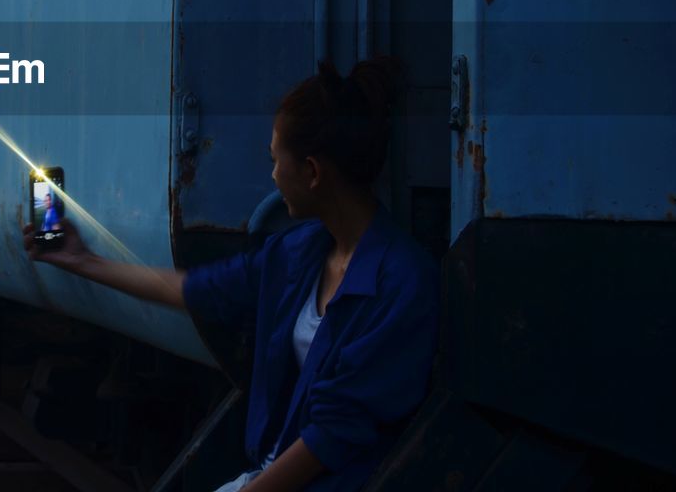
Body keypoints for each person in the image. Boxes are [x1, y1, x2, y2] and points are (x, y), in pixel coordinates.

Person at [22, 57, 439, 491]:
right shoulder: (298, 254)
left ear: (313, 172)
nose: (274, 175)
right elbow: (195, 290)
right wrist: (80, 261)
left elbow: (334, 436)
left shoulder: (403, 283)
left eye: (277, 160)